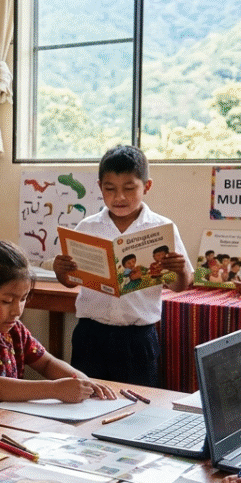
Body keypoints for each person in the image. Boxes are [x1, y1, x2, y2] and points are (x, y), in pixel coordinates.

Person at [53, 145, 193, 386]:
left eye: (129, 188)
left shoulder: (162, 228)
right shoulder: (87, 227)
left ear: (146, 186)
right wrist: (61, 271)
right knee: (87, 396)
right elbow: (70, 282)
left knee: (139, 401)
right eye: (110, 189)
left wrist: (180, 270)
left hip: (138, 338)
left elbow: (180, 285)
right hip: (91, 335)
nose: (119, 197)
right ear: (100, 187)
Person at [0, 239, 115, 407]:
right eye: (7, 301)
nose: (17, 311)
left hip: (0, 422)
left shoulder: (12, 330)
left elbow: (47, 363)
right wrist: (54, 389)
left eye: (23, 299)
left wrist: (84, 381)